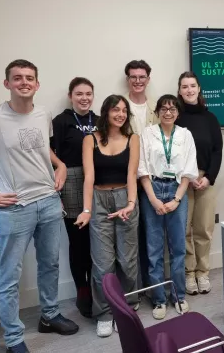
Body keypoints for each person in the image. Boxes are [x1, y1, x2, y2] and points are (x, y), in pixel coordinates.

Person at [0, 60, 78, 353]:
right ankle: (13, 339)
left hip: (47, 201)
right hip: (14, 207)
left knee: (50, 264)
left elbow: (41, 149)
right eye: (17, 78)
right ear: (6, 84)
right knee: (10, 276)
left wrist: (59, 166)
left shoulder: (43, 114)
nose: (24, 82)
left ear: (37, 84)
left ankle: (49, 315)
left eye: (29, 78)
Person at [77, 94, 140, 338]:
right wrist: (86, 209)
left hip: (126, 199)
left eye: (124, 110)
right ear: (106, 112)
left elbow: (131, 175)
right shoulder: (90, 139)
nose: (121, 114)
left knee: (127, 259)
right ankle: (104, 313)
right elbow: (89, 178)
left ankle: (128, 305)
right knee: (103, 264)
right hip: (99, 202)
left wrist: (132, 204)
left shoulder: (133, 138)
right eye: (116, 109)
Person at [138, 94, 198, 320]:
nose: (168, 112)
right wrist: (153, 199)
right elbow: (142, 167)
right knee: (153, 250)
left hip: (176, 189)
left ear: (178, 113)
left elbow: (189, 169)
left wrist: (177, 199)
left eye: (172, 109)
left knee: (178, 249)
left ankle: (178, 295)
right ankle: (158, 299)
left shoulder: (185, 135)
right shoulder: (147, 133)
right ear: (157, 112)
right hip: (152, 189)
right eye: (163, 108)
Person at [50, 77, 98, 318]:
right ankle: (83, 290)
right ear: (71, 96)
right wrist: (56, 188)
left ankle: (99, 287)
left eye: (88, 93)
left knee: (97, 240)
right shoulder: (61, 121)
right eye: (79, 94)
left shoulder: (99, 121)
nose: (84, 98)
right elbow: (49, 153)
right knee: (77, 240)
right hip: (71, 182)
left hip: (97, 181)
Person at [176, 72, 223, 296]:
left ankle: (203, 272)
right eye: (184, 87)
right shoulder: (175, 117)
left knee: (204, 228)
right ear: (179, 91)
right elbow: (171, 151)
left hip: (205, 178)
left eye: (192, 86)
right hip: (182, 180)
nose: (189, 90)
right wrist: (187, 175)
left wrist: (208, 177)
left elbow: (217, 150)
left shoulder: (210, 118)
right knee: (183, 229)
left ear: (198, 88)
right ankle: (188, 273)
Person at [123, 59, 157, 290]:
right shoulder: (119, 107)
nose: (137, 81)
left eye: (142, 77)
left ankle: (151, 284)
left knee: (152, 236)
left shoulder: (157, 107)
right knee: (130, 236)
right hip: (129, 180)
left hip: (155, 180)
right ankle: (132, 288)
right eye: (133, 77)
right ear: (128, 79)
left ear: (148, 79)